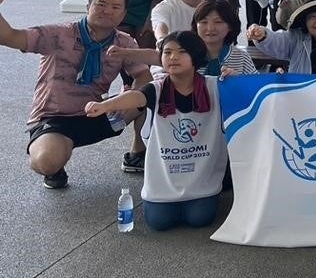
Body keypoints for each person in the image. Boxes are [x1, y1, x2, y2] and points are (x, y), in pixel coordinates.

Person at [0, 0, 151, 189]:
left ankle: (137, 153)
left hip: (97, 111)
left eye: (115, 7)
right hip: (55, 117)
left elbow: (143, 75)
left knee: (150, 93)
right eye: (101, 4)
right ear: (88, 7)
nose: (107, 11)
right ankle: (55, 164)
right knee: (47, 161)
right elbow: (9, 37)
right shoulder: (58, 34)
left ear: (123, 14)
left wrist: (125, 99)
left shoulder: (124, 42)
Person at [84, 31, 226, 230]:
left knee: (199, 218)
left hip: (201, 180)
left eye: (182, 52)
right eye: (167, 53)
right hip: (164, 179)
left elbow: (247, 93)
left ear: (196, 56)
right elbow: (136, 97)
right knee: (159, 222)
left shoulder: (214, 86)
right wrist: (105, 105)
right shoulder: (157, 88)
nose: (173, 57)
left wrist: (233, 78)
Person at [246, 0, 316, 75]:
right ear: (305, 22)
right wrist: (262, 35)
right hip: (301, 96)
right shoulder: (296, 38)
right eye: (313, 17)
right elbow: (276, 41)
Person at [191, 0, 256, 76]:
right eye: (204, 22)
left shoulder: (242, 58)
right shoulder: (187, 56)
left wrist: (238, 80)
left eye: (218, 22)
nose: (210, 28)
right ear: (196, 26)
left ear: (230, 26)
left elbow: (258, 83)